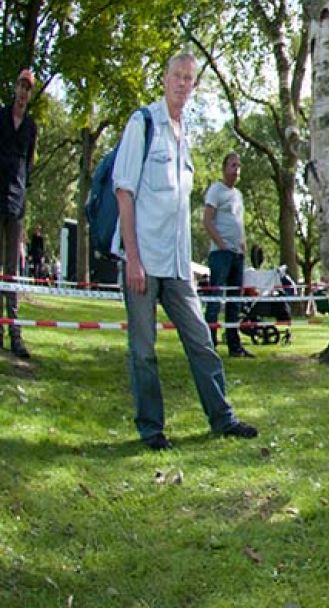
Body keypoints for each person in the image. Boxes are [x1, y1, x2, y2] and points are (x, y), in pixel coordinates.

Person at [113, 53, 259, 451]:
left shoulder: (186, 134)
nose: (182, 83)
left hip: (178, 266)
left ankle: (223, 418)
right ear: (164, 80)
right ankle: (151, 430)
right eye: (176, 76)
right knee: (143, 352)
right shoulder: (142, 123)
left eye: (189, 79)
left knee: (201, 341)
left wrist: (192, 266)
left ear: (194, 87)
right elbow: (124, 193)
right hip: (143, 260)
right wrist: (134, 259)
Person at [0, 68, 37, 359]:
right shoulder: (0, 117)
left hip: (16, 202)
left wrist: (23, 201)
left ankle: (14, 332)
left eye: (28, 89)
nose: (23, 93)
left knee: (11, 272)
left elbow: (29, 166)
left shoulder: (31, 126)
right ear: (14, 89)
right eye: (20, 86)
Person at [203, 152, 253, 358]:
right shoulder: (216, 190)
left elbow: (238, 223)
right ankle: (209, 344)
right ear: (224, 168)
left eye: (239, 166)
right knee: (215, 300)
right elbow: (207, 220)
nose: (236, 169)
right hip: (220, 255)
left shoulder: (238, 195)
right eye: (233, 165)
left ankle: (234, 345)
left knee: (235, 302)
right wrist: (221, 244)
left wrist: (242, 246)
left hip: (237, 255)